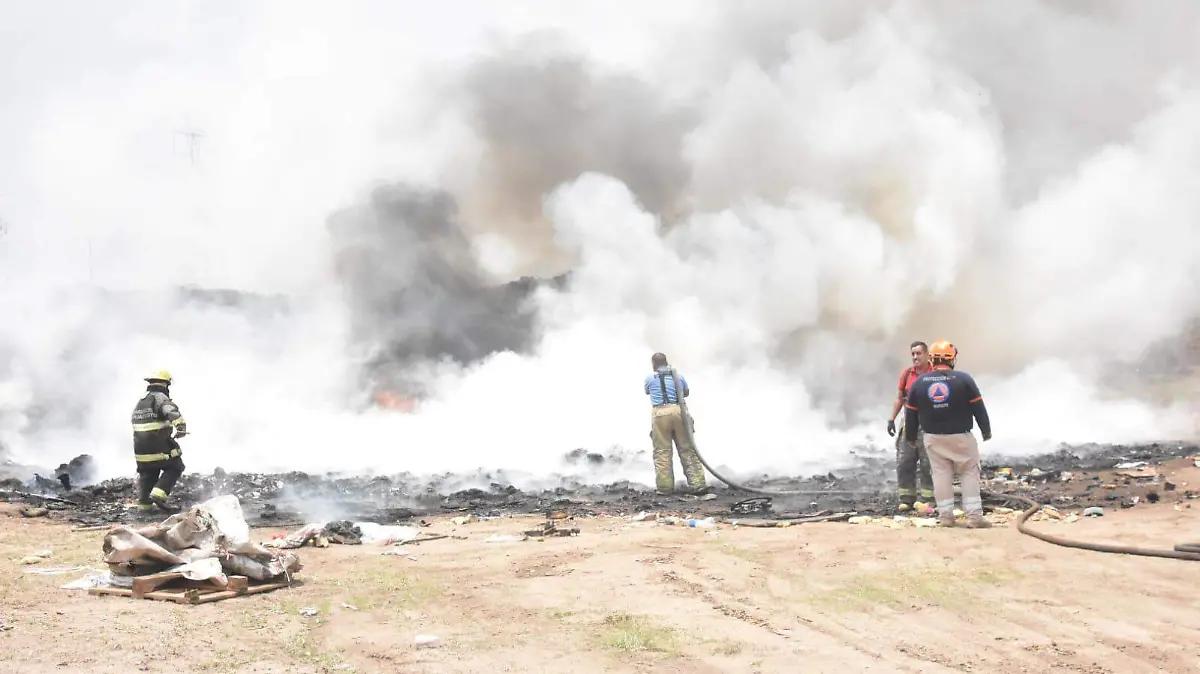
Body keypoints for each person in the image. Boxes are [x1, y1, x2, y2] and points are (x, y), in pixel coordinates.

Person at [904, 340, 992, 528]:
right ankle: (974, 518)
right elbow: (979, 408)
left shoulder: (919, 383)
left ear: (932, 359)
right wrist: (986, 431)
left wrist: (910, 437)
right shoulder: (964, 379)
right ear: (952, 359)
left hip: (933, 439)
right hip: (961, 437)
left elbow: (910, 413)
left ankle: (946, 517)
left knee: (941, 474)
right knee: (969, 472)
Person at [644, 352, 707, 495]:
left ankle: (665, 487)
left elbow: (647, 391)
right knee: (687, 449)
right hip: (679, 411)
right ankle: (698, 484)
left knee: (662, 451)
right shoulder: (679, 377)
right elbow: (685, 392)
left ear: (654, 364)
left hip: (660, 413)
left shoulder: (650, 378)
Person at [887, 341, 935, 511]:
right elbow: (900, 398)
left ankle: (929, 500)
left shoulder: (936, 373)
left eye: (919, 353)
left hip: (929, 423)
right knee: (904, 460)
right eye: (913, 354)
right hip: (908, 421)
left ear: (927, 354)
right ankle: (907, 499)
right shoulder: (907, 374)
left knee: (928, 462)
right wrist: (892, 419)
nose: (915, 357)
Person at [130, 370, 188, 512]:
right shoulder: (160, 398)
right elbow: (170, 411)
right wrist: (180, 427)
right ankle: (159, 494)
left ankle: (145, 506)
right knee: (175, 466)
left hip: (140, 448)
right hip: (158, 444)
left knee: (148, 472)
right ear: (164, 383)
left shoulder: (141, 401)